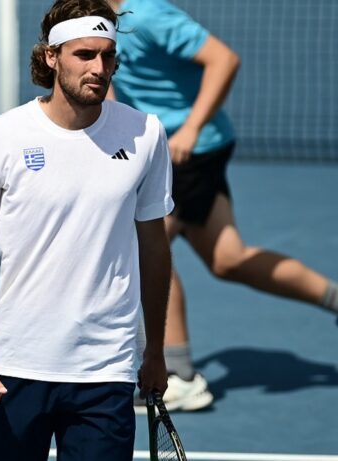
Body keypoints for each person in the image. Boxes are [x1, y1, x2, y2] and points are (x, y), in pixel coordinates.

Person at [0, 0, 174, 459]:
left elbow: (154, 247)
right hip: (13, 368)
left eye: (108, 56)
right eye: (84, 55)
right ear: (51, 57)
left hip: (105, 370)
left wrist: (156, 350)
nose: (99, 68)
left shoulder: (146, 134)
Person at [108, 0, 338, 412]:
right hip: (175, 148)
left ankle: (179, 376)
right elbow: (109, 85)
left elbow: (223, 58)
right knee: (228, 258)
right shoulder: (97, 18)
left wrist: (191, 130)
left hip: (187, 151)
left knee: (147, 249)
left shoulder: (148, 15)